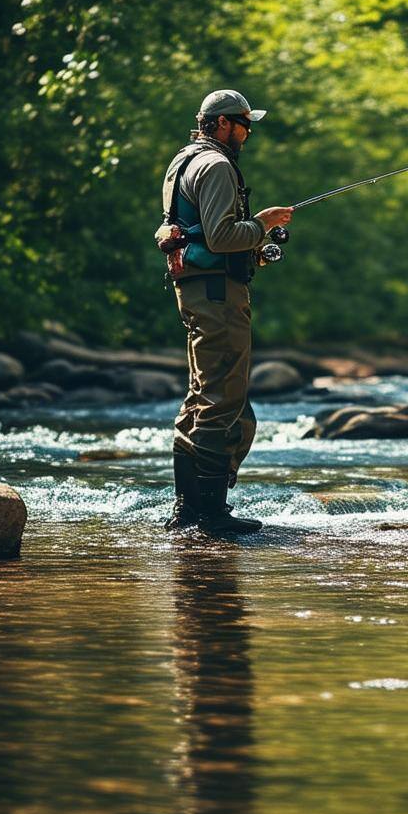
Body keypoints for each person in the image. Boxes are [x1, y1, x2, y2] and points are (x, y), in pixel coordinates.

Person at [160, 89, 293, 536]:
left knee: (202, 394)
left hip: (198, 290)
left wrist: (254, 244)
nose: (247, 132)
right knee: (223, 400)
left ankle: (187, 508)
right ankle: (209, 512)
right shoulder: (216, 165)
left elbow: (201, 234)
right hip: (218, 294)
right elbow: (219, 237)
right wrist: (265, 223)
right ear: (220, 123)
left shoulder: (183, 160)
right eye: (243, 123)